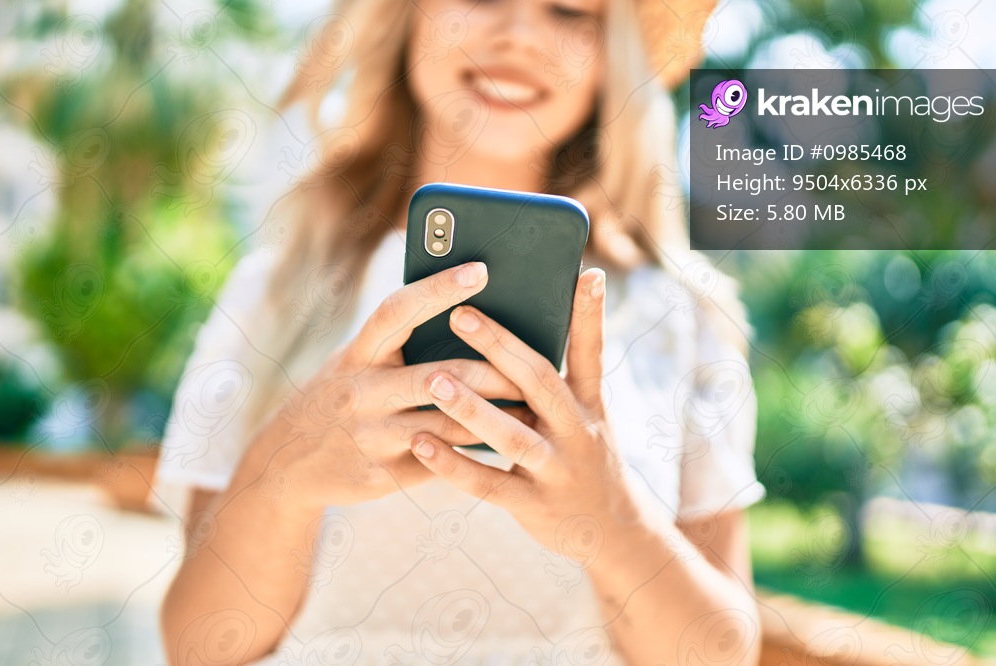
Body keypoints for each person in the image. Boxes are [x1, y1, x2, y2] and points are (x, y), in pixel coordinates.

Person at [155, 0, 766, 664]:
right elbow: (195, 646)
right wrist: (282, 474)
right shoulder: (270, 294)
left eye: (569, 10)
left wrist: (612, 524)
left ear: (609, 55)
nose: (519, 36)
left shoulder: (680, 314)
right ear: (406, 17)